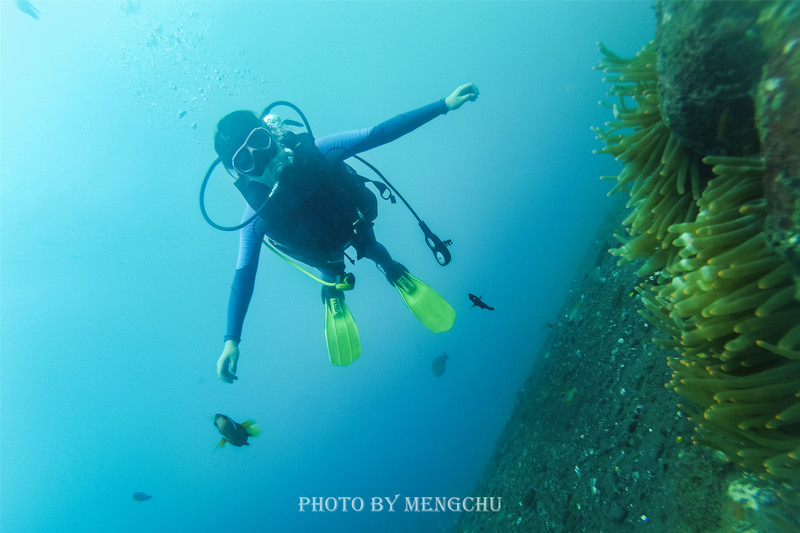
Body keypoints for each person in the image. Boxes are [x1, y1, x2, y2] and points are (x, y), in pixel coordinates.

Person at [213, 83, 479, 382]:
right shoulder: (255, 217)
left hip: (355, 223)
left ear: (271, 134)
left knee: (372, 247)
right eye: (245, 161)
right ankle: (332, 292)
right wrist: (231, 340)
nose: (261, 159)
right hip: (320, 252)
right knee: (330, 269)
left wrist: (443, 104)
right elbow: (244, 275)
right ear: (240, 173)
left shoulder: (318, 151)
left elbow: (379, 133)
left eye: (259, 142)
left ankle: (392, 270)